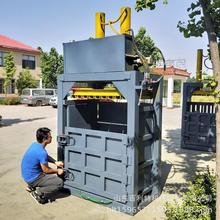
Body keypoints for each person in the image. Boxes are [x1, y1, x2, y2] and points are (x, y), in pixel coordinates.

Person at [21, 127, 64, 204]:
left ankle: (30, 187)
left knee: (40, 168)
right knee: (59, 182)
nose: (51, 137)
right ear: (45, 139)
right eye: (50, 136)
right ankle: (38, 192)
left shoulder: (35, 145)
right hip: (33, 178)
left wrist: (55, 162)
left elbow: (44, 157)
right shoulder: (41, 152)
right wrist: (58, 170)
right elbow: (46, 170)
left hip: (27, 175)